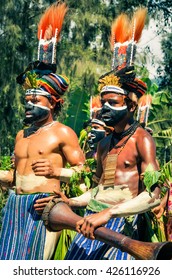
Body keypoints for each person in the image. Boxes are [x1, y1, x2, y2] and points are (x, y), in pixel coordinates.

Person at [35, 7, 161, 260]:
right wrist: (71, 202)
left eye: (113, 102)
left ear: (132, 106)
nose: (105, 108)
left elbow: (153, 196)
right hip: (91, 221)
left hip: (121, 228)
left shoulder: (141, 140)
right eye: (103, 102)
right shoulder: (104, 144)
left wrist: (110, 214)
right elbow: (98, 191)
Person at [0, 2, 85, 260]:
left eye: (35, 100)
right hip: (15, 206)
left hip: (44, 208)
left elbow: (86, 175)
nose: (29, 105)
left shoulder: (63, 133)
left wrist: (57, 172)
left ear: (53, 103)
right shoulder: (21, 135)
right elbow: (16, 176)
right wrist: (5, 177)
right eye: (27, 100)